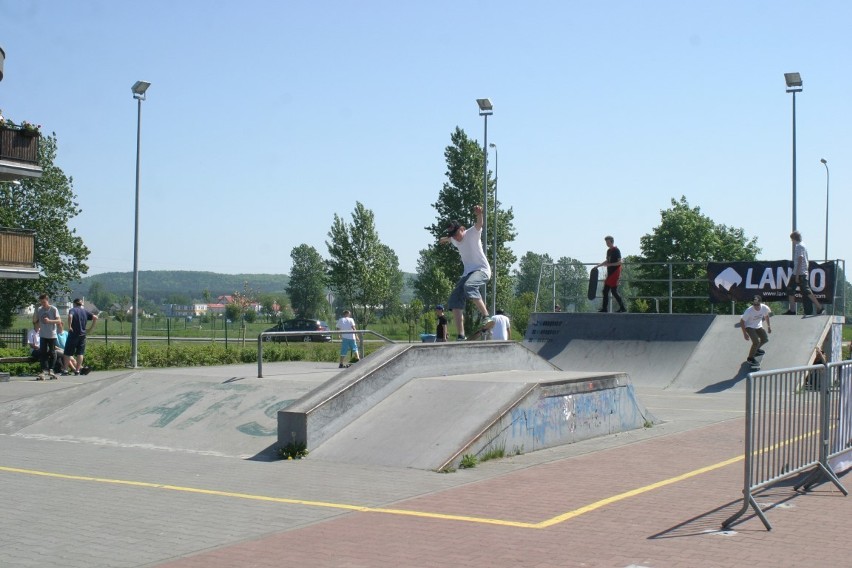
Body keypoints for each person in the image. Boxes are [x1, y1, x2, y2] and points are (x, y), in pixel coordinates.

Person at [438, 204, 491, 340]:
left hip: (482, 270)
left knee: (469, 286)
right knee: (454, 299)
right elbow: (449, 239)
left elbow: (479, 224)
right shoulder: (455, 240)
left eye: (457, 234)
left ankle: (486, 316)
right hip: (468, 273)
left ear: (462, 229)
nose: (456, 238)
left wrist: (479, 214)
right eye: (453, 236)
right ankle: (461, 335)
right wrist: (444, 239)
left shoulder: (472, 233)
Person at [785, 231, 824, 315]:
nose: (792, 242)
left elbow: (800, 259)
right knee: (790, 289)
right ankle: (792, 310)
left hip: (799, 272)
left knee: (806, 291)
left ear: (794, 239)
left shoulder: (799, 246)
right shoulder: (803, 245)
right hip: (800, 271)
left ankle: (820, 307)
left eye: (792, 240)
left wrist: (797, 275)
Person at [33, 293, 62, 380]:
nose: (43, 304)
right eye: (41, 302)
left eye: (44, 302)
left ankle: (51, 369)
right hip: (43, 334)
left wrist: (49, 321)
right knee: (43, 352)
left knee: (52, 352)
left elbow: (59, 320)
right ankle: (44, 369)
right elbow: (35, 320)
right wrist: (35, 310)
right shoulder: (39, 309)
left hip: (51, 334)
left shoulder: (53, 309)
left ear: (47, 300)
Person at [65, 298, 97, 376]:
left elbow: (70, 316)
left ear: (74, 303)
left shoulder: (73, 310)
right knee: (80, 353)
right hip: (82, 334)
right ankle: (77, 370)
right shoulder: (84, 311)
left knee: (67, 353)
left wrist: (69, 326)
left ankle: (65, 370)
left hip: (73, 334)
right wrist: (90, 328)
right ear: (81, 304)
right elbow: (95, 317)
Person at [596, 235, 626, 313]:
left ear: (612, 242)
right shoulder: (608, 251)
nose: (607, 243)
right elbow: (607, 261)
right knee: (606, 291)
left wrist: (610, 265)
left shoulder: (616, 250)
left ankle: (622, 308)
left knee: (613, 291)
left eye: (608, 242)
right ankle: (605, 308)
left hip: (615, 272)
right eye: (606, 242)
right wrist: (598, 266)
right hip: (610, 273)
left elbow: (620, 262)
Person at [740, 294, 772, 366]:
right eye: (754, 305)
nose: (756, 307)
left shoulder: (764, 308)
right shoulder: (749, 311)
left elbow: (766, 316)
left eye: (757, 305)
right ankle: (750, 358)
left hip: (758, 326)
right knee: (756, 342)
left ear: (760, 303)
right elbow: (742, 322)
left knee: (765, 339)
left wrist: (769, 326)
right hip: (749, 326)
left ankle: (756, 350)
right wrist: (745, 334)